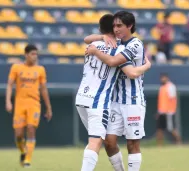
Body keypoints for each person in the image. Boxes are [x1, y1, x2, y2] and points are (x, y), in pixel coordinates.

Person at [76, 13, 151, 171]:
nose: (116, 29)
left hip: (133, 99)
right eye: (114, 26)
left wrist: (146, 66)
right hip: (114, 101)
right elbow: (87, 39)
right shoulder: (116, 43)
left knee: (132, 143)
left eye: (119, 26)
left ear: (129, 26)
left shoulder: (134, 44)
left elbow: (127, 70)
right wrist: (102, 36)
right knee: (109, 141)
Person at [5, 44, 52, 167]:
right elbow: (10, 85)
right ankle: (22, 151)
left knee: (31, 128)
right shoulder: (16, 68)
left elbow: (43, 89)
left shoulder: (40, 70)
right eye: (32, 54)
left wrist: (48, 107)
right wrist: (8, 101)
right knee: (19, 134)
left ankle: (27, 160)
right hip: (20, 104)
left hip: (34, 103)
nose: (35, 57)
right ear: (26, 55)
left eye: (36, 54)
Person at [156, 73, 181, 146]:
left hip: (169, 113)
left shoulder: (171, 86)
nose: (162, 79)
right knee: (159, 129)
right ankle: (159, 145)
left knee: (172, 129)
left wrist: (169, 110)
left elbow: (172, 99)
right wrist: (159, 111)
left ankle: (179, 142)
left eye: (163, 78)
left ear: (167, 78)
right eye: (161, 78)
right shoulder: (161, 87)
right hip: (161, 112)